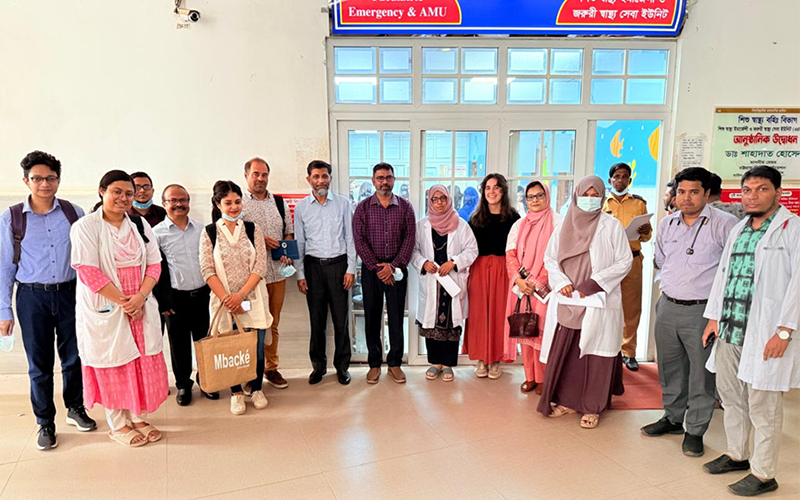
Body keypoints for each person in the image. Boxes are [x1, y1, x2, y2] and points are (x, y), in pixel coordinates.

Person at [701, 166, 800, 497]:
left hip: (767, 331)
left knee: (763, 404)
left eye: (761, 189)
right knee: (731, 395)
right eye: (747, 189)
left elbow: (798, 286)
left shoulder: (792, 228)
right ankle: (737, 454)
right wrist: (714, 317)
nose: (752, 195)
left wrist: (785, 331)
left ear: (778, 192)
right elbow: (724, 275)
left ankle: (764, 473)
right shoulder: (740, 228)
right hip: (731, 326)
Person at [0, 151, 96, 451]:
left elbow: (89, 258)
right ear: (26, 180)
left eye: (50, 178)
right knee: (39, 365)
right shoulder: (12, 217)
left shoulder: (73, 212)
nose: (44, 184)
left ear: (58, 180)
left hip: (70, 294)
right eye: (38, 178)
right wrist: (4, 309)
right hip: (31, 297)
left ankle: (75, 408)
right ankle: (45, 422)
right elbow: (4, 266)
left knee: (74, 357)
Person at [642, 167, 738, 457]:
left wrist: (717, 314)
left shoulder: (725, 224)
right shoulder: (667, 224)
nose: (686, 198)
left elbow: (732, 269)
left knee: (701, 374)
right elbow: (660, 259)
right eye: (681, 192)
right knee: (670, 368)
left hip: (703, 311)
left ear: (707, 194)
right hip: (668, 305)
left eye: (694, 192)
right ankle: (672, 418)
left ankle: (695, 430)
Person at [70, 170, 168, 448]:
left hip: (139, 302)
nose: (123, 198)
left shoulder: (138, 224)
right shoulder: (85, 226)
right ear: (102, 191)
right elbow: (88, 270)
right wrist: (124, 302)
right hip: (108, 305)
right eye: (117, 191)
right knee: (113, 361)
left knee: (139, 359)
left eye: (128, 193)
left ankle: (138, 416)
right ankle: (117, 423)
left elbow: (154, 264)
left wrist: (140, 297)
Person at [536, 175, 632, 429]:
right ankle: (568, 402)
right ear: (577, 195)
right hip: (570, 298)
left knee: (595, 356)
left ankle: (592, 407)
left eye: (595, 195)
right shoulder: (564, 225)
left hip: (598, 297)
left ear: (602, 197)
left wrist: (596, 282)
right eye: (585, 195)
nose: (590, 200)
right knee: (569, 355)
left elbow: (624, 261)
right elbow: (550, 259)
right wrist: (560, 282)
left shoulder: (610, 226)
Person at [199, 180, 273, 415]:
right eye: (228, 202)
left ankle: (257, 387)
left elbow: (260, 266)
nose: (234, 207)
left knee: (256, 346)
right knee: (230, 349)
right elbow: (207, 270)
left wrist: (240, 295)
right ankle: (236, 392)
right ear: (217, 203)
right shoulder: (209, 232)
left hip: (253, 298)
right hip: (224, 302)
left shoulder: (253, 229)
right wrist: (227, 299)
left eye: (237, 202)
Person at [152, 184, 219, 405]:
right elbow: (153, 270)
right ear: (164, 204)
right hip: (175, 300)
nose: (179, 204)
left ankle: (207, 382)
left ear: (189, 202)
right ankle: (183, 385)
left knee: (204, 342)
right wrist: (162, 302)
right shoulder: (156, 234)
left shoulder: (202, 230)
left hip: (202, 296)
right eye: (173, 200)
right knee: (178, 345)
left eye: (183, 200)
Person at [353, 162, 416, 384]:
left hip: (397, 272)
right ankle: (373, 364)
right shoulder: (362, 208)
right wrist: (378, 268)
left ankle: (395, 363)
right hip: (372, 272)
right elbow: (359, 241)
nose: (384, 182)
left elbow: (409, 239)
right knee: (372, 317)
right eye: (380, 178)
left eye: (388, 177)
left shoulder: (406, 207)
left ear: (394, 179)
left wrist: (393, 266)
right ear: (373, 181)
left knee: (397, 318)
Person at [295, 160, 355, 386]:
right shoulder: (301, 207)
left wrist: (350, 269)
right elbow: (300, 242)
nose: (321, 180)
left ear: (330, 178)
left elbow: (350, 238)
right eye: (316, 176)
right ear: (308, 179)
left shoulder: (343, 203)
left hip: (339, 267)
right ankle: (318, 367)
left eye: (325, 176)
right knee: (317, 320)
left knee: (341, 320)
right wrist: (300, 273)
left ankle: (342, 367)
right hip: (313, 269)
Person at [411, 185, 478, 382]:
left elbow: (472, 250)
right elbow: (413, 251)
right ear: (429, 202)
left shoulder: (461, 225)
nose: (439, 202)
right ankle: (435, 362)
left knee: (451, 324)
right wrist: (424, 263)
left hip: (452, 282)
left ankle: (448, 364)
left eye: (443, 198)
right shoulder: (421, 225)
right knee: (430, 323)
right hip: (431, 281)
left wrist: (454, 262)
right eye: (435, 199)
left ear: (449, 200)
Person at [503, 181, 562, 394]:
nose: (535, 200)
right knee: (525, 330)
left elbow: (558, 257)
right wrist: (519, 280)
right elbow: (510, 254)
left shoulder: (558, 223)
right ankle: (530, 376)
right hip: (522, 288)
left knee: (544, 332)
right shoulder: (520, 224)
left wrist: (538, 282)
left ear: (547, 197)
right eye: (530, 196)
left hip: (545, 290)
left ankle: (545, 378)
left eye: (539, 196)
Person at [241, 157, 293, 390]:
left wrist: (286, 249)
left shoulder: (279, 202)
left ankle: (271, 368)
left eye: (264, 174)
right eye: (256, 174)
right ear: (247, 176)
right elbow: (234, 236)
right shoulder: (238, 203)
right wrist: (260, 240)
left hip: (277, 274)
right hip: (251, 279)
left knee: (273, 323)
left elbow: (289, 233)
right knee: (251, 325)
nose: (260, 179)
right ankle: (251, 371)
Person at [463, 174, 520, 379]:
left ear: (503, 191)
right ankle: (481, 357)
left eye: (496, 188)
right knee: (478, 314)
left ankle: (495, 358)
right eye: (487, 188)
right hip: (479, 269)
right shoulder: (475, 218)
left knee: (499, 314)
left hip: (504, 270)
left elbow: (518, 249)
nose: (492, 192)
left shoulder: (514, 218)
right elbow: (468, 248)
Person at [603, 162, 652, 372]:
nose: (620, 180)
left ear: (629, 180)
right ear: (610, 180)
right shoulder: (602, 204)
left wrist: (645, 230)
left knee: (631, 308)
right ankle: (608, 350)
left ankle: (629, 352)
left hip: (632, 259)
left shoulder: (639, 204)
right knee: (606, 306)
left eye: (625, 176)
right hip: (608, 262)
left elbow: (647, 236)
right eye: (617, 176)